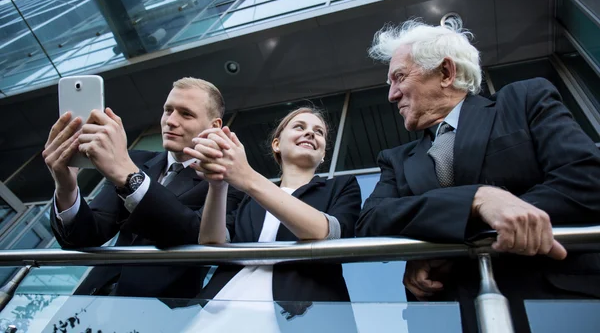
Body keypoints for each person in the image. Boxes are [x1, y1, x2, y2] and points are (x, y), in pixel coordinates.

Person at [355, 20, 600, 332]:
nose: (391, 95)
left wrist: (451, 244)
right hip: (446, 320)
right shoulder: (396, 160)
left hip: (558, 313)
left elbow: (586, 181)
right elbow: (371, 221)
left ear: (446, 72)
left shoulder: (524, 101)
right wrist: (478, 200)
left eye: (399, 77)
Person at [45, 77, 243, 299]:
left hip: (161, 310)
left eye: (186, 114)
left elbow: (195, 235)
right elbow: (88, 235)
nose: (171, 121)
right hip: (89, 302)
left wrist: (129, 175)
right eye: (168, 110)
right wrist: (66, 185)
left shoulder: (227, 182)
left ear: (214, 125)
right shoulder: (135, 160)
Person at [182, 107, 361, 332]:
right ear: (276, 144)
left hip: (299, 317)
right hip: (221, 310)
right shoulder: (250, 199)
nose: (310, 134)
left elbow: (328, 235)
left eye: (319, 132)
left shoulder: (342, 186)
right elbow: (211, 244)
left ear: (324, 153)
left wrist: (246, 176)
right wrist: (218, 185)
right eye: (299, 127)